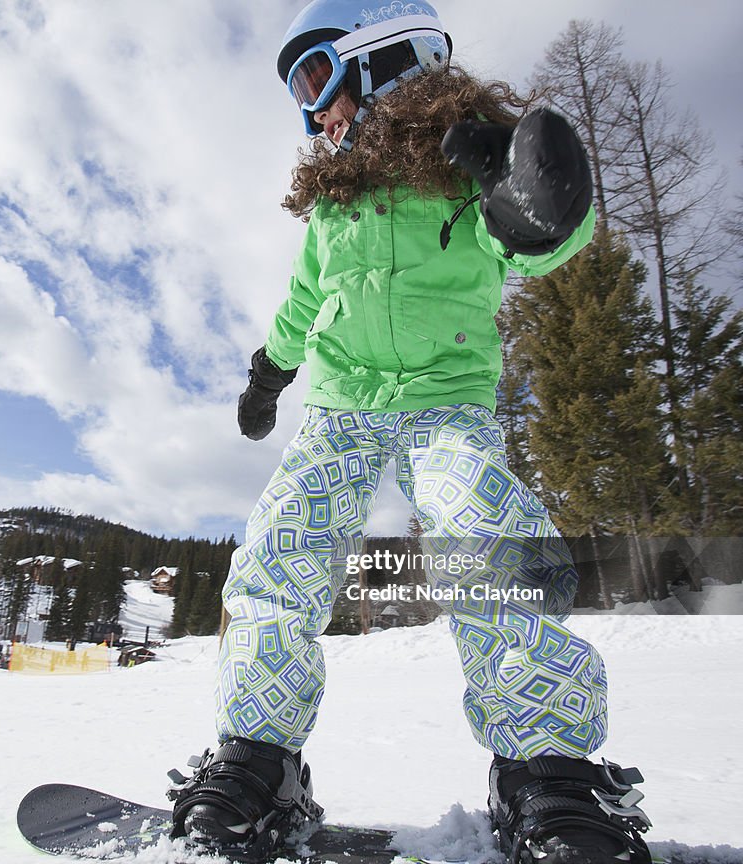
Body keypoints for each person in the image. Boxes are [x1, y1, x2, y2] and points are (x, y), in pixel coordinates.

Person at [167, 3, 652, 864]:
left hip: (445, 398)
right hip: (344, 403)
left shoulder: (469, 163)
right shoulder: (335, 201)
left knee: (485, 533)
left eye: (314, 77)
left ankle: (548, 769)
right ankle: (258, 762)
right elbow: (305, 302)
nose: (312, 111)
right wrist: (267, 373)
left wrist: (530, 199)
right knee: (282, 548)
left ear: (381, 55)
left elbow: (540, 242)